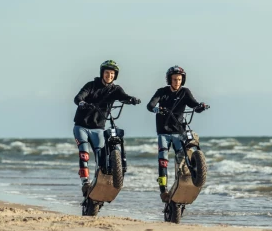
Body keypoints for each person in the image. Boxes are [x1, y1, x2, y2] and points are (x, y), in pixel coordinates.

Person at [73, 60, 141, 195]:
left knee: (101, 154)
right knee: (84, 154)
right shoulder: (91, 85)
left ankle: (100, 179)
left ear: (115, 76)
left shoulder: (115, 89)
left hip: (98, 127)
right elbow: (78, 97)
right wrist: (82, 102)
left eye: (112, 73)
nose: (109, 75)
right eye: (106, 73)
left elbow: (123, 97)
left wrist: (132, 99)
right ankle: (85, 182)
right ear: (102, 73)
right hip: (81, 126)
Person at [146, 65, 210, 202]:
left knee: (182, 160)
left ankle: (183, 183)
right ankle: (163, 191)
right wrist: (158, 110)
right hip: (163, 132)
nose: (177, 82)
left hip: (178, 131)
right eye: (174, 79)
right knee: (163, 161)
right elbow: (150, 106)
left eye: (179, 79)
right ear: (170, 80)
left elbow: (194, 105)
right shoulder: (161, 91)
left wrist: (201, 107)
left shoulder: (185, 92)